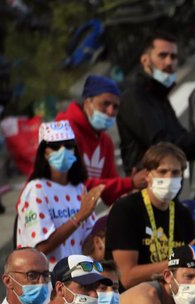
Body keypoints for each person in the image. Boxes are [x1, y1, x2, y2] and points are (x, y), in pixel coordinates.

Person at [116, 33, 195, 172]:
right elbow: (162, 147)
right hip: (145, 188)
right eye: (162, 55)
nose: (169, 62)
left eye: (173, 57)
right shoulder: (134, 96)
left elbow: (180, 138)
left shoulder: (159, 94)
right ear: (145, 60)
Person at [106, 142, 195, 290]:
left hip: (169, 300)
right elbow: (127, 278)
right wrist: (175, 262)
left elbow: (190, 270)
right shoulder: (126, 210)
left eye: (175, 173)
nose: (169, 178)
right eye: (162, 172)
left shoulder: (183, 214)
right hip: (131, 301)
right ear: (147, 175)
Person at [15, 120, 104, 262]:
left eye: (68, 145)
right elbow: (40, 247)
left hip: (76, 278)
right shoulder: (36, 190)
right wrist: (79, 217)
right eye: (55, 146)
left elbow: (88, 240)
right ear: (44, 152)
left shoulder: (79, 188)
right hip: (47, 280)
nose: (63, 151)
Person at [56, 74, 146, 206]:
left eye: (115, 107)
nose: (110, 111)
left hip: (75, 215)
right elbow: (72, 185)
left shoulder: (105, 141)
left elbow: (110, 196)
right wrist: (129, 183)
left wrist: (130, 190)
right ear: (88, 102)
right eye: (105, 104)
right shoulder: (63, 131)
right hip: (42, 213)